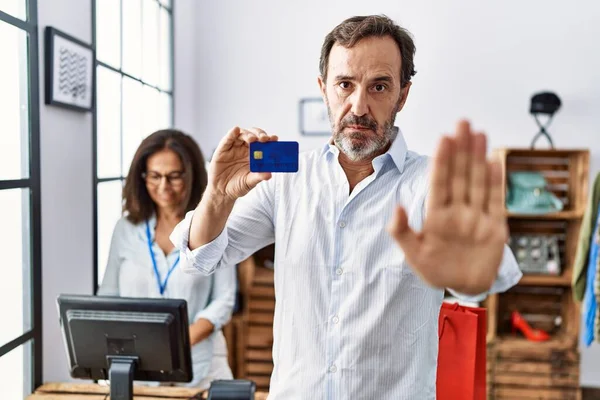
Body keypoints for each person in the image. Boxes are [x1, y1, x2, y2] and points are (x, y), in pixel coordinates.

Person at [170, 15, 523, 399]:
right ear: (324, 89)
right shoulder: (286, 176)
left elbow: (493, 273)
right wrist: (219, 195)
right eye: (345, 84)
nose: (359, 106)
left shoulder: (431, 184)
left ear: (402, 95)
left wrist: (471, 267)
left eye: (379, 86)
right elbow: (199, 260)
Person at [98, 129, 235, 389]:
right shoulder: (125, 229)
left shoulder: (214, 224)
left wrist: (179, 341)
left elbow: (224, 299)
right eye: (154, 176)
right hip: (135, 365)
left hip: (200, 363)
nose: (163, 186)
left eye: (174, 176)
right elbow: (109, 293)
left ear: (192, 175)